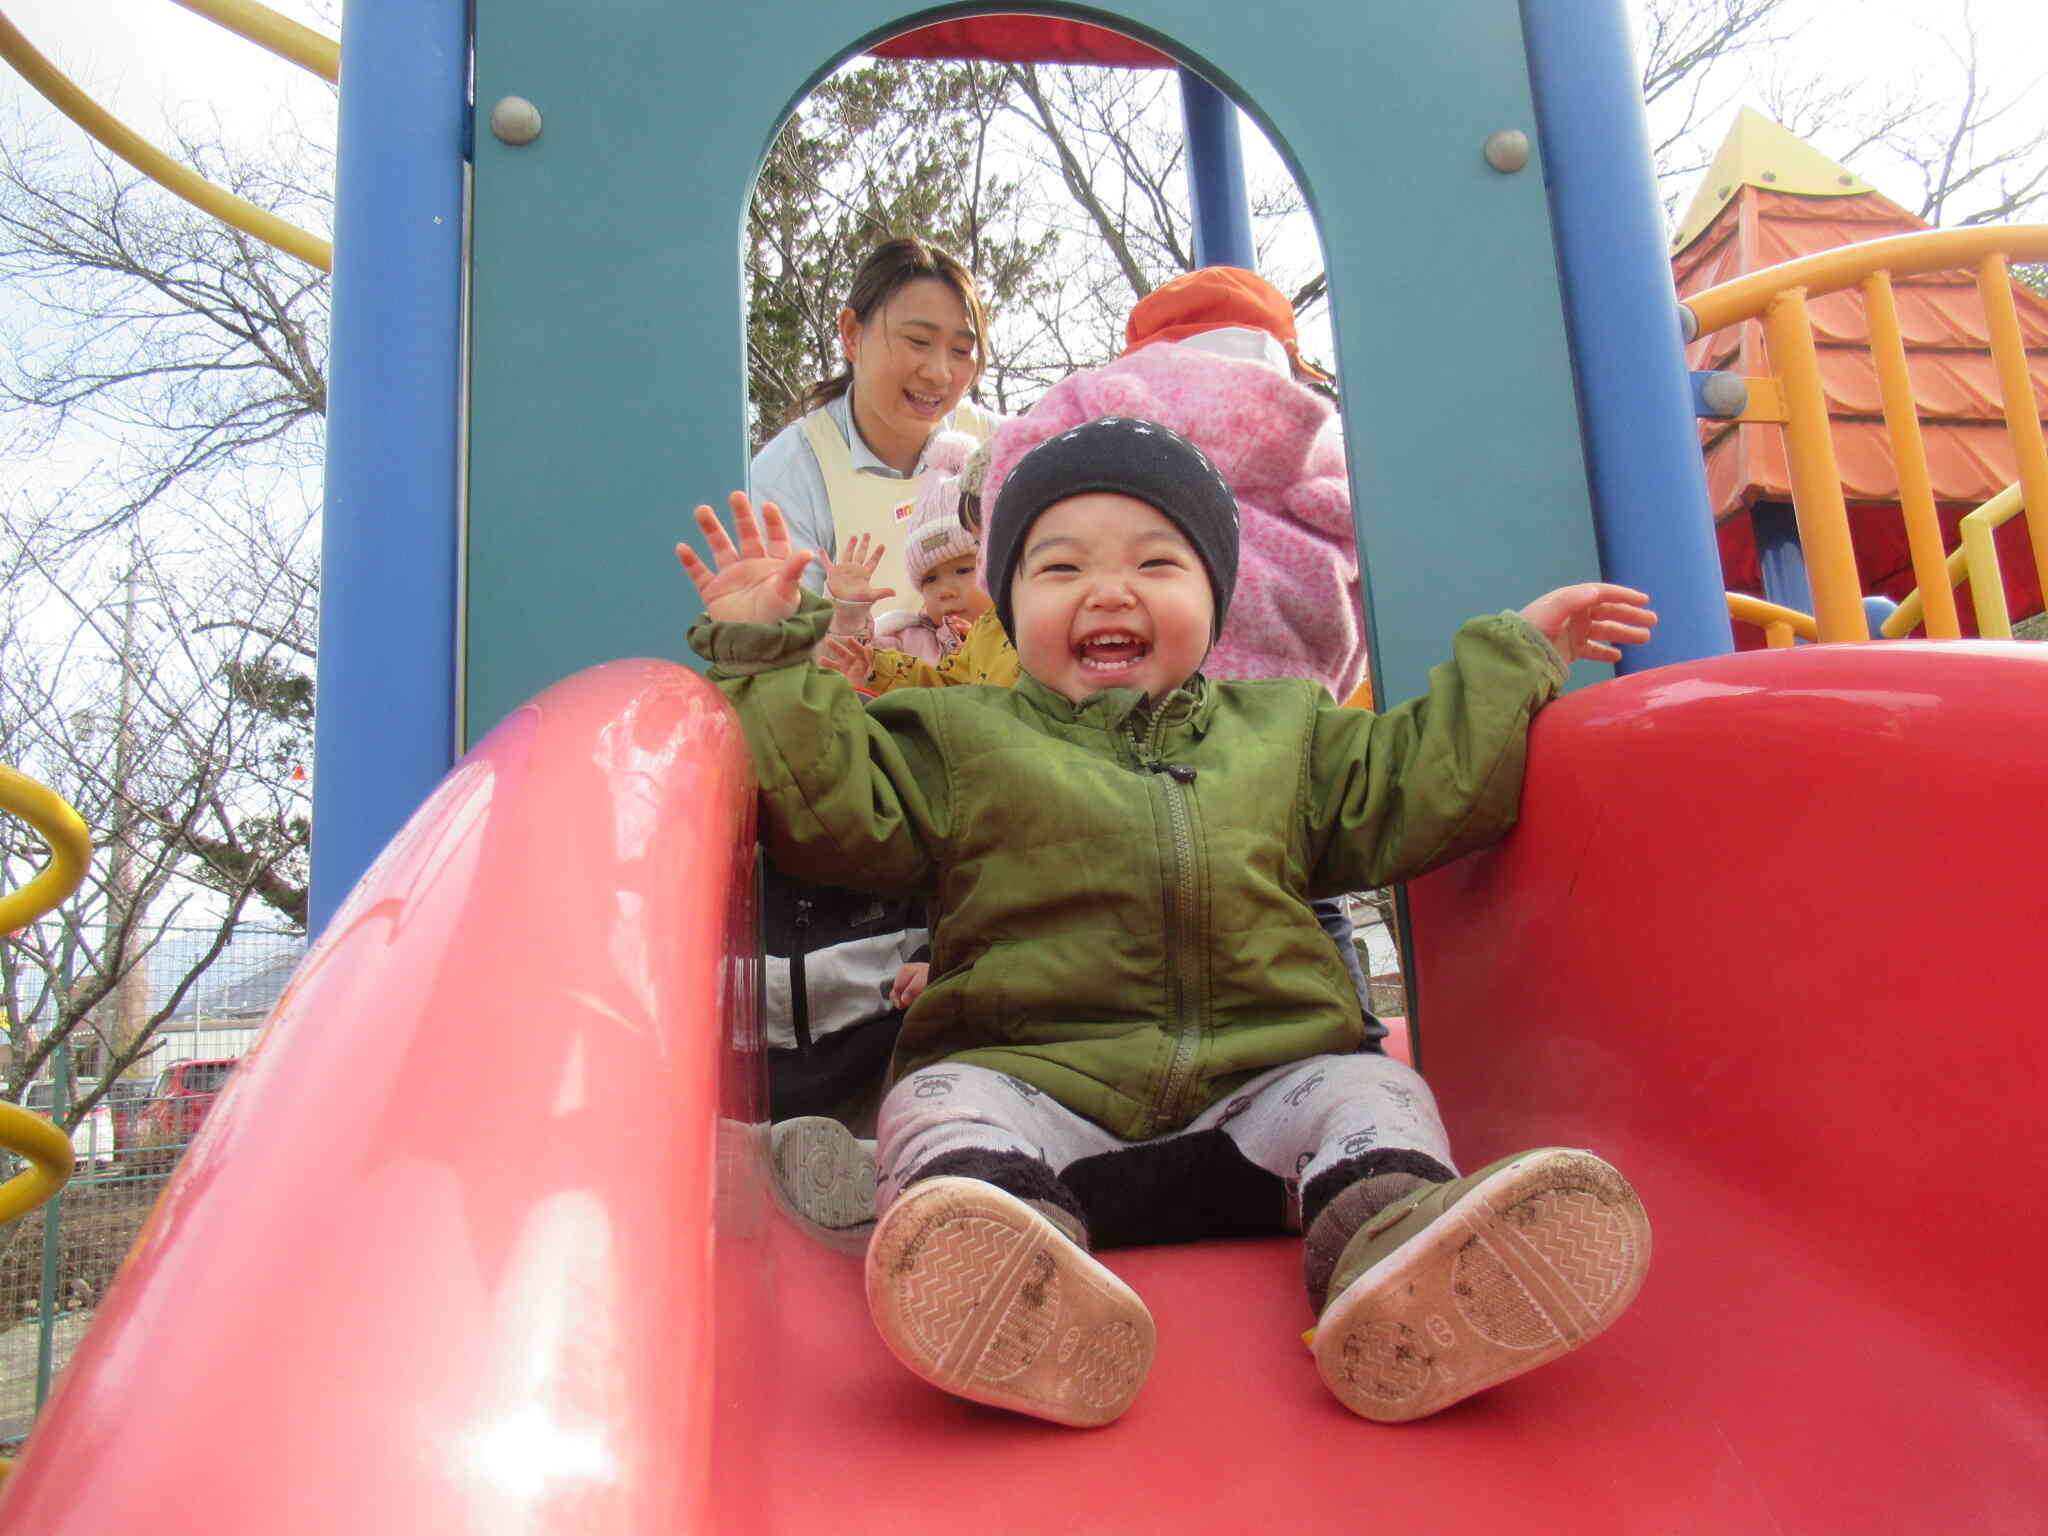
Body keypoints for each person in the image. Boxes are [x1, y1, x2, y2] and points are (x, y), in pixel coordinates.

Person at [677, 417, 1657, 1431]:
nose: (1109, 591)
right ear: (1008, 603)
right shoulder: (958, 739)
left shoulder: (1287, 735)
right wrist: (762, 654)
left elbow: (1422, 784)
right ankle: (997, 1271)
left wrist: (1514, 659)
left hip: (1261, 1105)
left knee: (1375, 1088)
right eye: (1061, 568)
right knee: (935, 1097)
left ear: (1213, 599)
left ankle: (1394, 1254)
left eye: (1155, 563)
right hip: (1039, 1093)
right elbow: (836, 808)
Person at [750, 235, 997, 609]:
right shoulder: (790, 475)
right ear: (852, 334)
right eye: (918, 340)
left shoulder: (1000, 445)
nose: (939, 373)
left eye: (961, 350)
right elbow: (784, 634)